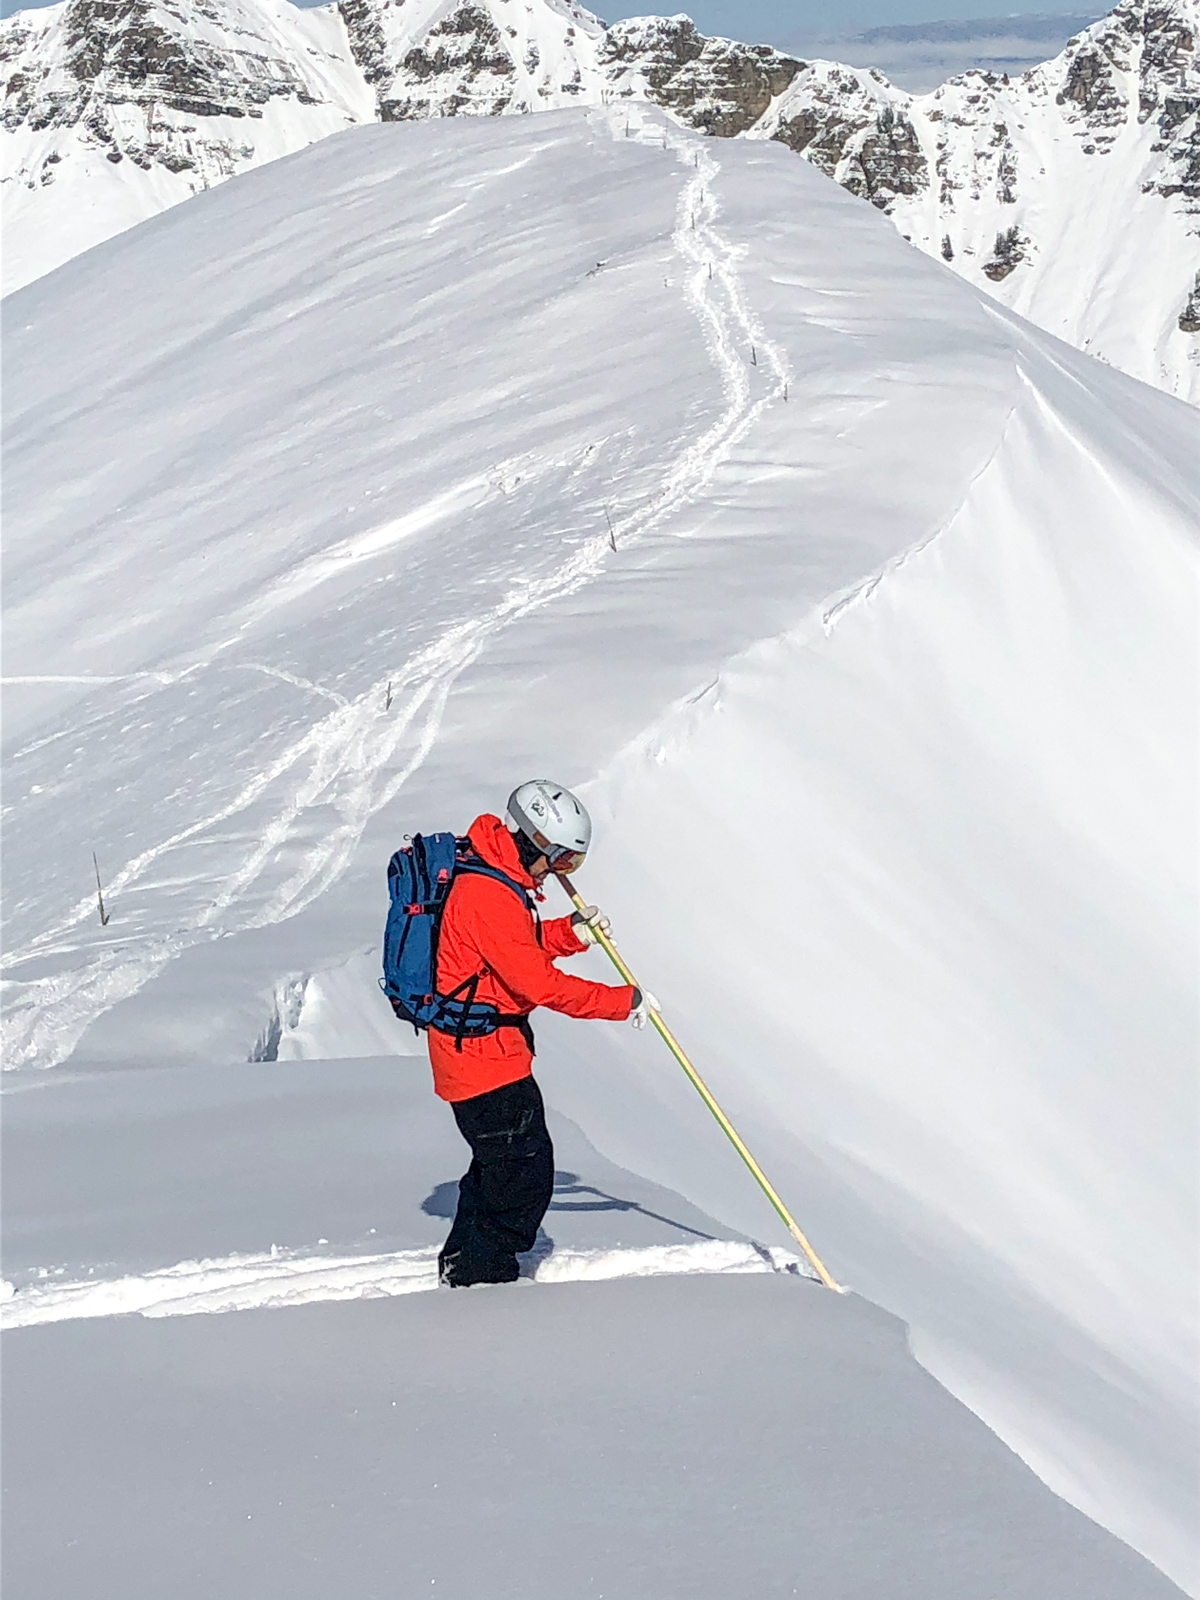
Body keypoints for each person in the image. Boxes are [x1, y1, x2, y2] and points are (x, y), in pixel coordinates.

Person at [431, 780, 654, 1288]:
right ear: (537, 843)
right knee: (522, 1176)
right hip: (482, 1060)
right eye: (561, 859)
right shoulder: (488, 892)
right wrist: (624, 1001)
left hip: (484, 1052)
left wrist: (568, 933)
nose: (559, 871)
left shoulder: (494, 877)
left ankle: (465, 1263)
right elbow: (539, 984)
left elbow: (512, 946)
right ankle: (481, 1280)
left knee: (500, 1165)